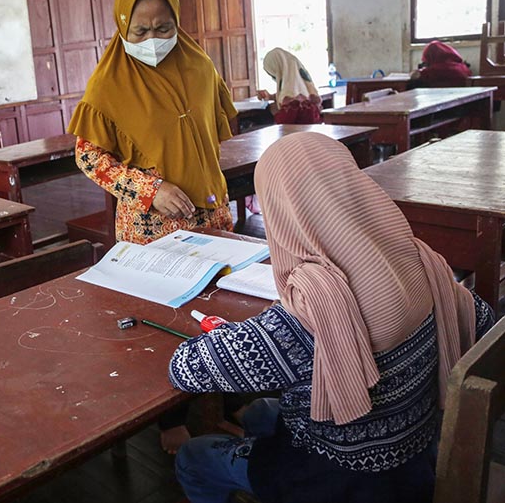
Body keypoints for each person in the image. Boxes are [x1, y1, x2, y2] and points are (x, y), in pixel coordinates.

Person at [169, 132, 494, 503]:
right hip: (415, 455)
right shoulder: (424, 265)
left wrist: (243, 337)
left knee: (195, 457)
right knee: (260, 411)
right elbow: (480, 321)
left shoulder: (307, 317)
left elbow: (186, 369)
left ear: (281, 212)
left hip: (336, 480)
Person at [67, 0, 237, 453]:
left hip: (210, 213)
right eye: (139, 31)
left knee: (220, 310)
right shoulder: (109, 83)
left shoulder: (199, 65)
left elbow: (212, 129)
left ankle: (227, 398)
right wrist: (150, 187)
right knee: (166, 321)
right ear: (122, 27)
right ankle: (169, 419)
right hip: (152, 224)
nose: (153, 40)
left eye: (163, 28)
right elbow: (89, 157)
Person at [256, 47, 322, 124]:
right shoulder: (301, 84)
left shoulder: (291, 102)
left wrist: (273, 111)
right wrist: (271, 96)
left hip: (298, 134)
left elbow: (284, 123)